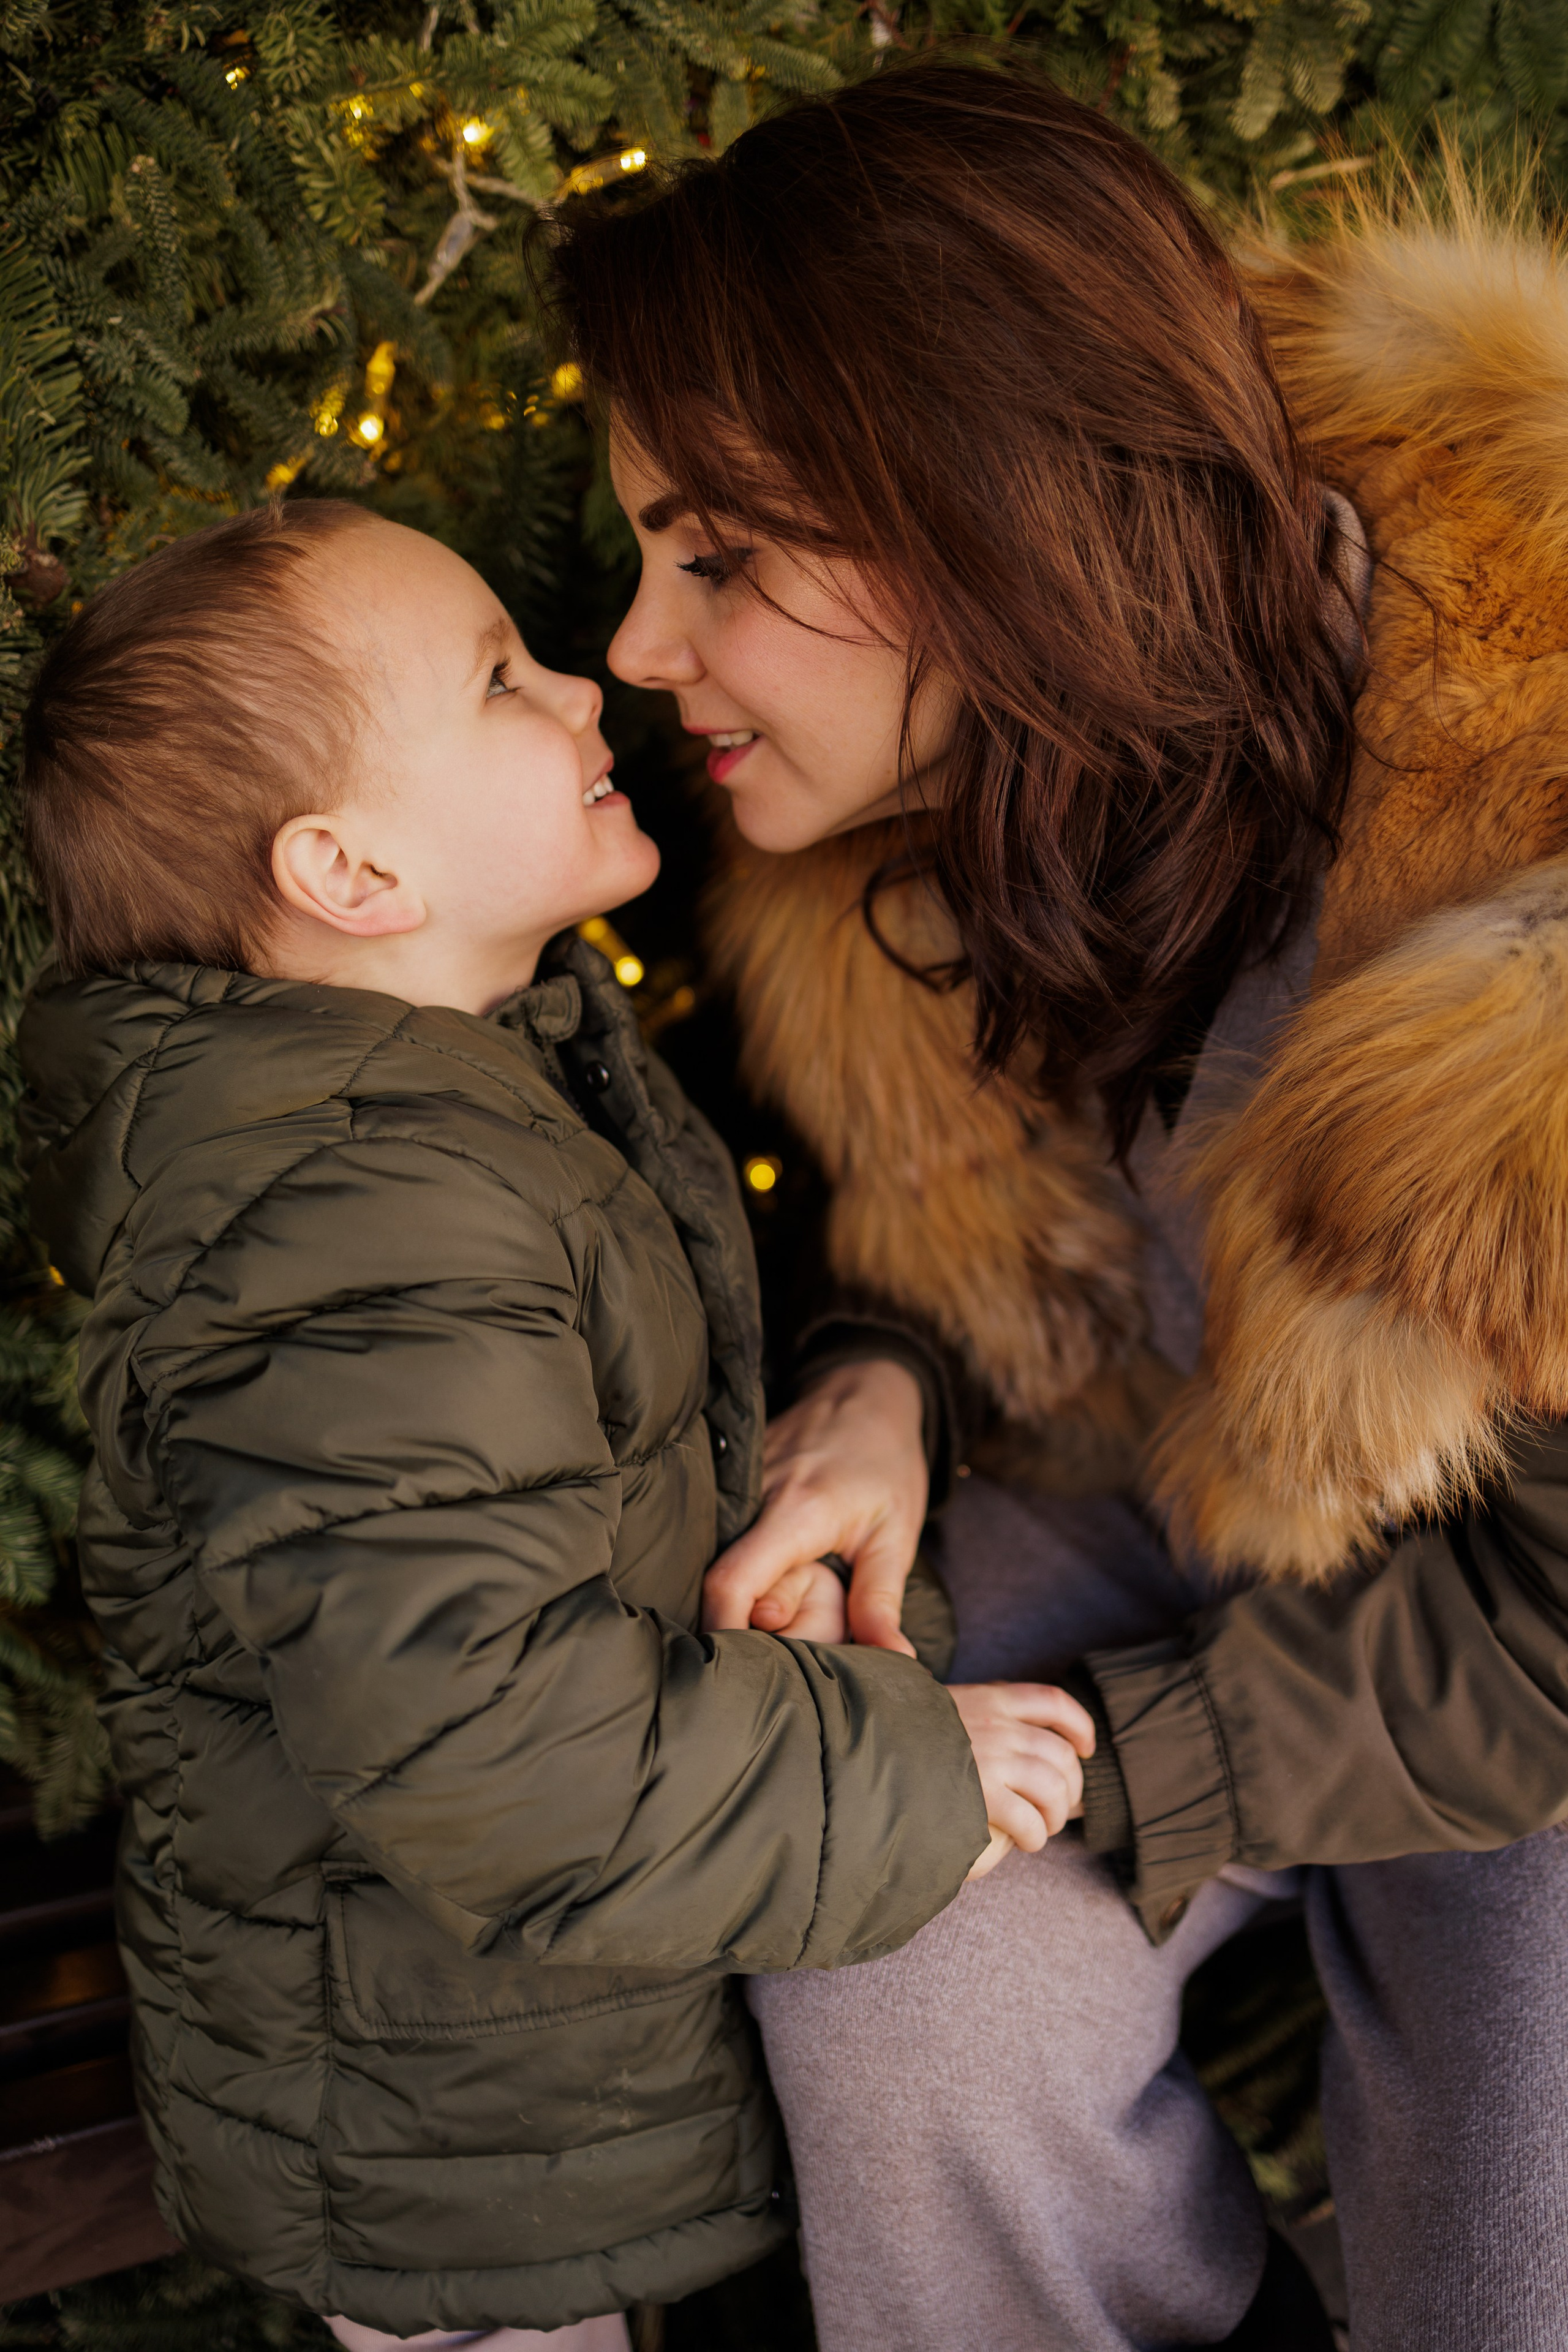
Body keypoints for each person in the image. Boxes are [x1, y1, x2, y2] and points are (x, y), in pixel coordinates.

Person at [550, 61, 1568, 2352]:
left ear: (1001, 517)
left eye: (715, 555)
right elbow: (957, 1224)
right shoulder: (941, 763)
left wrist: (1103, 1763)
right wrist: (886, 1379)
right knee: (884, 1949)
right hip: (1159, 1489)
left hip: (1530, 1629)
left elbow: (1550, 1641)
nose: (634, 649)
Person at [15, 500, 1096, 2346]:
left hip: (539, 2053)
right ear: (352, 874)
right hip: (447, 2133)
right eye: (502, 679)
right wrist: (902, 1773)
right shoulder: (351, 1221)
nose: (590, 677)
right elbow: (487, 1751)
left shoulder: (473, 1091)